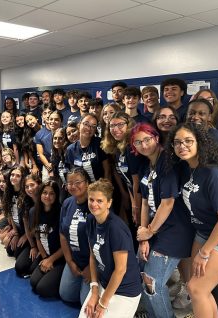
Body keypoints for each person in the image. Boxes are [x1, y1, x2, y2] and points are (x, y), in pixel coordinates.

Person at [166, 123, 218, 318]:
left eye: (188, 141)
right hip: (205, 229)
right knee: (197, 287)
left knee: (197, 289)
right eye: (177, 142)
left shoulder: (214, 174)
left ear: (200, 143)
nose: (182, 146)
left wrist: (204, 253)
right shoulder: (187, 168)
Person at [132, 123, 194, 318]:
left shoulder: (167, 162)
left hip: (175, 230)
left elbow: (167, 203)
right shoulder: (145, 165)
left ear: (156, 138)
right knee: (141, 273)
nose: (143, 145)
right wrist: (144, 236)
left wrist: (149, 232)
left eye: (147, 139)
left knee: (152, 280)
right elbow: (143, 203)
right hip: (155, 227)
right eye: (138, 142)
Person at [79, 178, 142, 318]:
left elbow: (120, 270)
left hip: (125, 291)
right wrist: (94, 290)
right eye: (91, 199)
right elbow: (93, 256)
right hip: (103, 283)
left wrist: (102, 303)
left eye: (99, 201)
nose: (94, 204)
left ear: (109, 203)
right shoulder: (90, 220)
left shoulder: (116, 228)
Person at [59, 168, 92, 305]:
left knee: (85, 304)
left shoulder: (95, 204)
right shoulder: (67, 203)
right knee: (66, 295)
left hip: (93, 262)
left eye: (78, 182)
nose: (73, 186)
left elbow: (101, 242)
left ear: (88, 183)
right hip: (75, 259)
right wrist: (69, 262)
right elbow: (62, 234)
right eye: (69, 183)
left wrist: (91, 267)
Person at [29, 180, 65, 298]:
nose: (47, 196)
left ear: (56, 195)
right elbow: (38, 238)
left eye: (52, 193)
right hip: (46, 254)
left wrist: (51, 260)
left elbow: (66, 245)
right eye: (44, 192)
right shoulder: (34, 211)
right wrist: (45, 258)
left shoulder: (61, 213)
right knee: (33, 282)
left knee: (42, 289)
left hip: (60, 258)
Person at [66, 113, 110, 183]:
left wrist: (104, 190)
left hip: (99, 189)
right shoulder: (70, 149)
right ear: (79, 125)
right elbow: (72, 174)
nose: (89, 128)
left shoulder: (100, 143)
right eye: (86, 124)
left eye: (93, 126)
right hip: (80, 190)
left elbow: (107, 171)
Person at [2, 166, 31, 258]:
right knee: (9, 250)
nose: (14, 177)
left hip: (29, 230)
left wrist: (26, 235)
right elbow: (10, 213)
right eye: (12, 175)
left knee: (16, 254)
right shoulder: (8, 191)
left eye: (18, 176)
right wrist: (15, 232)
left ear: (23, 178)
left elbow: (32, 219)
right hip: (18, 228)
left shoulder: (27, 193)